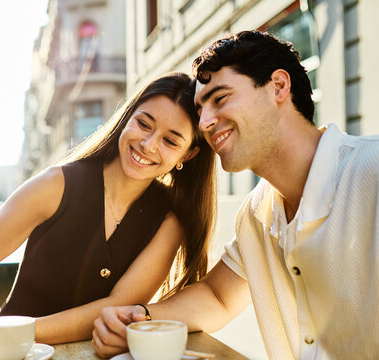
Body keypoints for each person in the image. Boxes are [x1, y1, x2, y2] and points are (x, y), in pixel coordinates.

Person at [0, 72, 218, 359]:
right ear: (127, 117)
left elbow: (114, 309)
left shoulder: (169, 221)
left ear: (187, 155)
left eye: (170, 141)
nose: (148, 144)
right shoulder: (57, 184)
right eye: (143, 123)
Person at [92, 30, 379, 360]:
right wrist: (138, 320)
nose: (206, 123)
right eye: (200, 110)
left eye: (220, 98)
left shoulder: (371, 173)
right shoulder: (257, 211)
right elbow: (218, 296)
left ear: (279, 87)